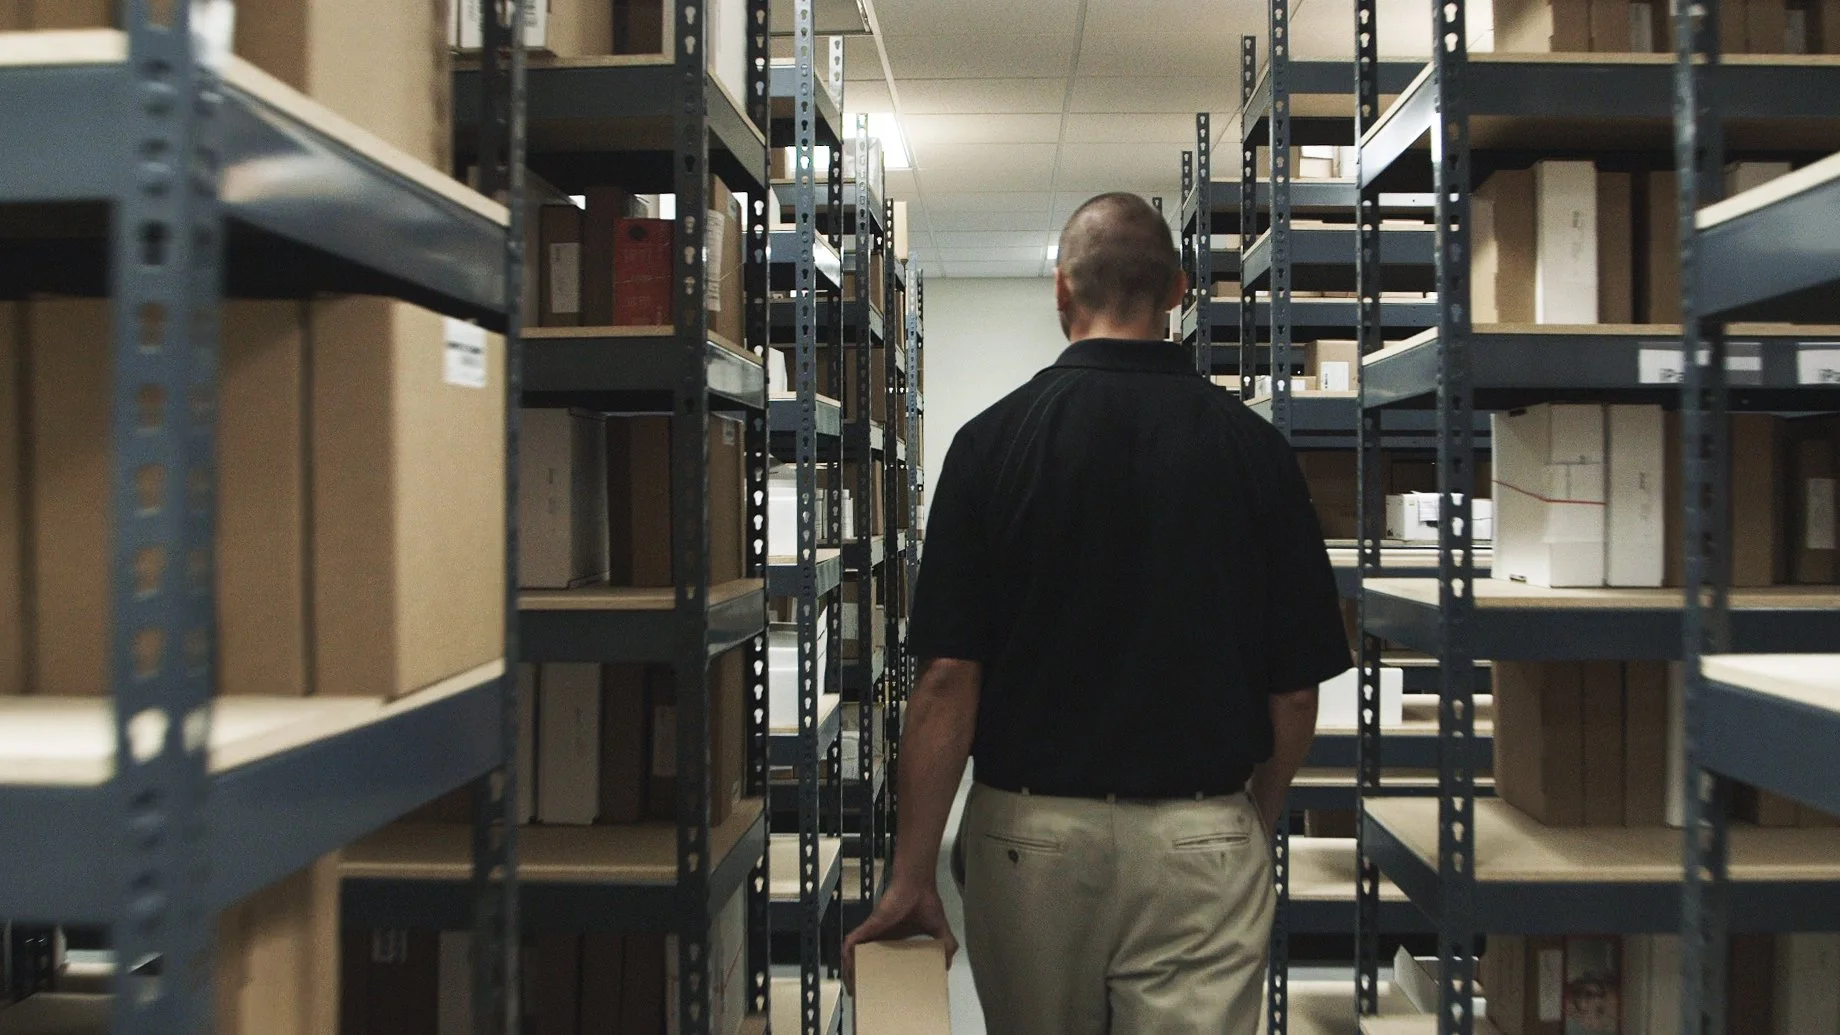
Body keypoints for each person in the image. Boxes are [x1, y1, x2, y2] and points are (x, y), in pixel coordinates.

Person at [841, 191, 1351, 1034]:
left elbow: (945, 679)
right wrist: (1249, 819)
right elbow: (1296, 692)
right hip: (1202, 837)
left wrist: (911, 869)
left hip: (1029, 842)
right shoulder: (1255, 450)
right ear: (1180, 290)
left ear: (1061, 291)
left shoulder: (989, 444)